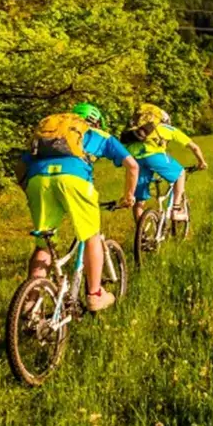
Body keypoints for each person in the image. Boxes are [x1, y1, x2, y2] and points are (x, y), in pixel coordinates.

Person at [17, 102, 138, 312]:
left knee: (44, 243)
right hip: (73, 179)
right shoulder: (97, 133)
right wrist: (128, 196)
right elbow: (133, 165)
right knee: (91, 236)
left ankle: (30, 304)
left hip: (38, 180)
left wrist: (30, 190)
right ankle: (94, 295)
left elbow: (22, 165)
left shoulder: (53, 133)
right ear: (97, 121)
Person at [120, 103, 206, 221]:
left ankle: (142, 234)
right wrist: (201, 162)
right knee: (180, 173)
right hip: (154, 156)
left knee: (139, 200)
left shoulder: (136, 130)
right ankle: (175, 210)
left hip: (135, 161)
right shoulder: (166, 128)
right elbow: (194, 147)